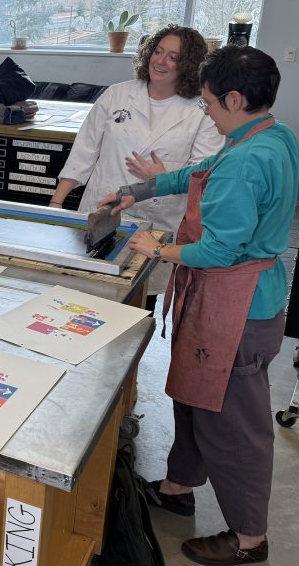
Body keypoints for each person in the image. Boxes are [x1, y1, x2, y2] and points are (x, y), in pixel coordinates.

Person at [104, 45, 297, 565]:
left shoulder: (247, 163)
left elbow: (218, 250)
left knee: (234, 427)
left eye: (209, 102)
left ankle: (249, 539)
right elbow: (199, 172)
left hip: (238, 308)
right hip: (237, 297)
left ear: (234, 99)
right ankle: (177, 488)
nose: (205, 111)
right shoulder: (269, 134)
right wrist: (139, 189)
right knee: (194, 399)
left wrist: (156, 248)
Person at [50, 25, 223, 304]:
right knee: (83, 299)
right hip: (101, 210)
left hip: (156, 219)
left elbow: (202, 174)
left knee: (138, 300)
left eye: (173, 57)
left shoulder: (201, 110)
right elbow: (84, 152)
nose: (161, 61)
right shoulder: (117, 95)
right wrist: (57, 203)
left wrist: (163, 176)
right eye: (158, 52)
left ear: (189, 65)